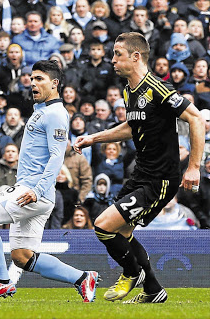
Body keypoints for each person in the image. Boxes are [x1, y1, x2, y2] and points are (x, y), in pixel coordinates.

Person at [74, 32, 205, 304]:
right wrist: (93, 138)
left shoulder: (158, 88)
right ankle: (154, 290)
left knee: (103, 225)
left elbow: (195, 118)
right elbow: (132, 126)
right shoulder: (129, 90)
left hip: (160, 179)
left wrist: (193, 167)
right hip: (141, 173)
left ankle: (132, 273)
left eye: (117, 54)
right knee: (122, 232)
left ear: (135, 57)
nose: (112, 60)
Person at [0, 60, 99, 303]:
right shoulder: (43, 110)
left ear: (55, 83)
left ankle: (1, 282)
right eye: (32, 78)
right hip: (36, 192)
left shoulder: (56, 114)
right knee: (22, 256)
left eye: (39, 79)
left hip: (32, 190)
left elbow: (56, 155)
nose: (33, 83)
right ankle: (82, 278)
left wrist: (38, 190)